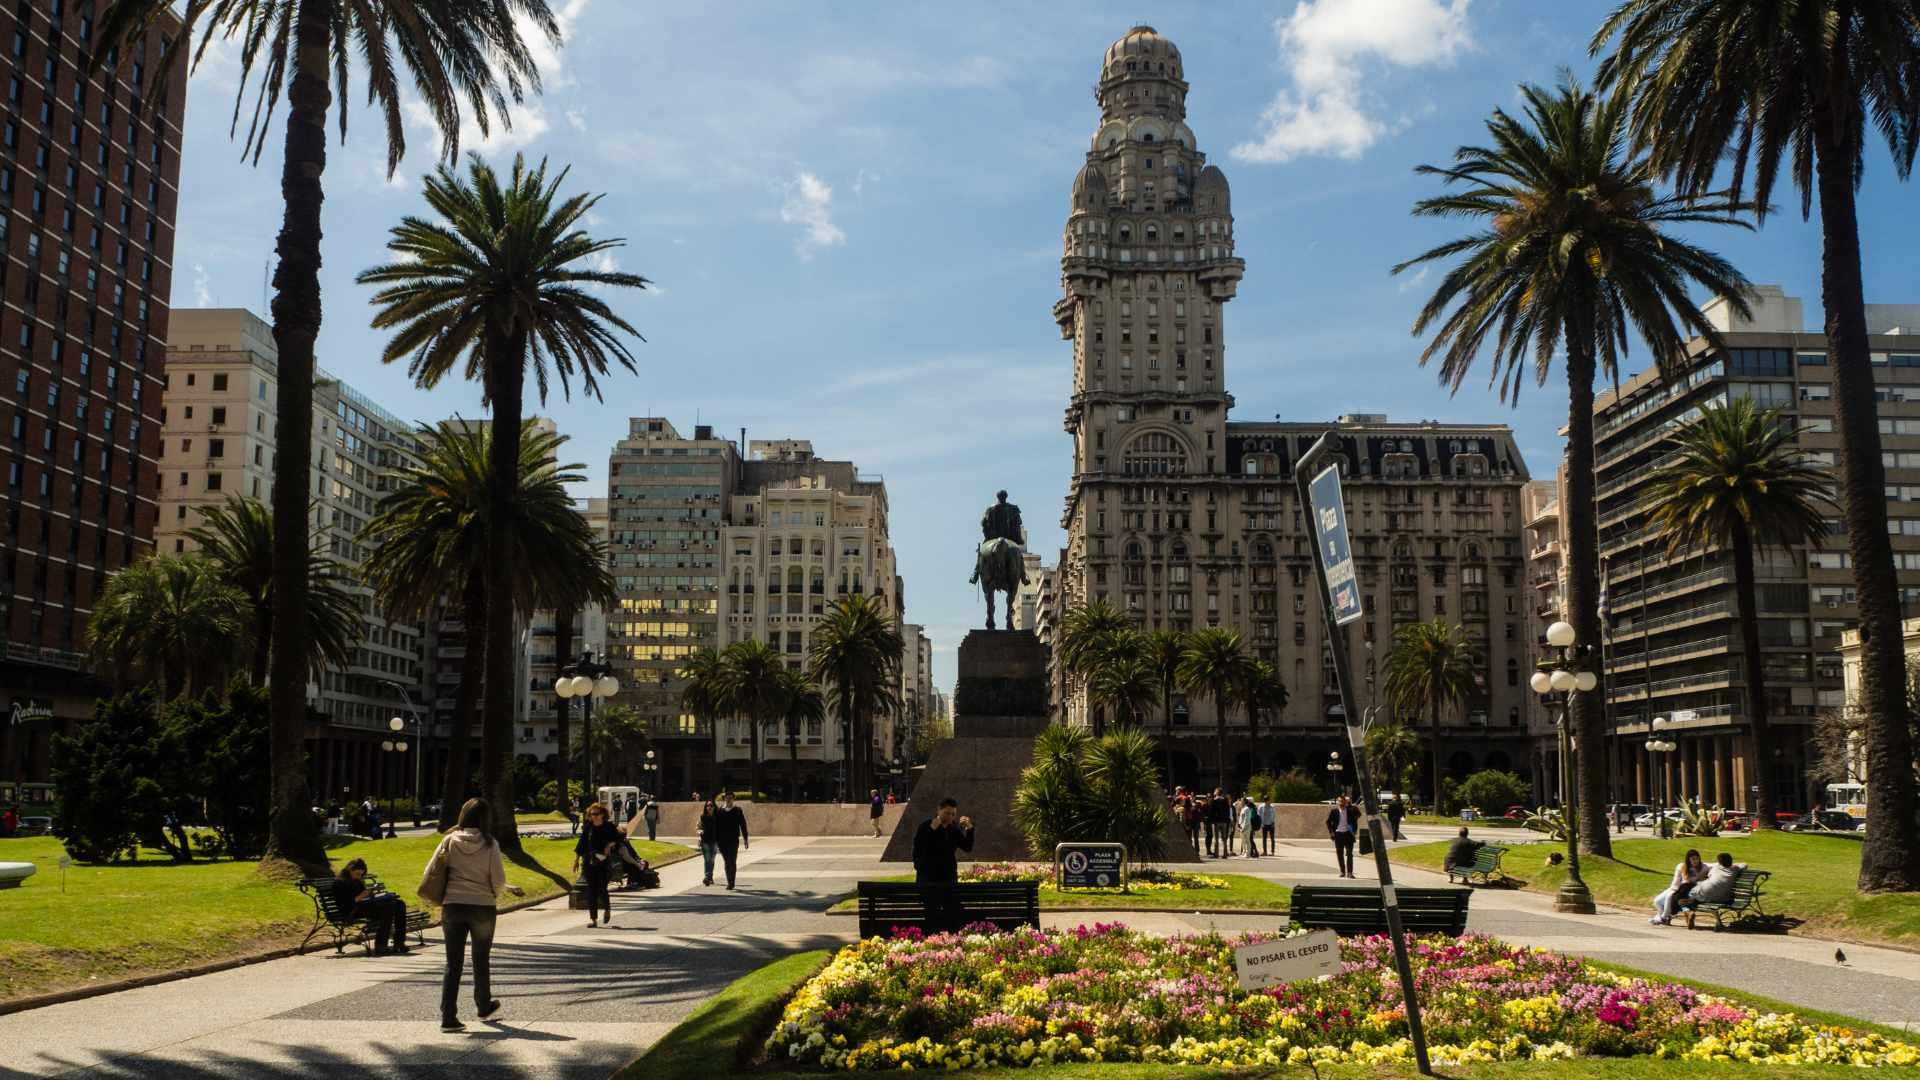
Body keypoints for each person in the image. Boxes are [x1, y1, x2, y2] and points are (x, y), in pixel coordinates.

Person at [425, 797, 520, 1032]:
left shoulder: (449, 841)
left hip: (453, 905)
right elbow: (498, 880)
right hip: (482, 906)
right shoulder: (490, 844)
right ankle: (483, 1004)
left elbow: (430, 870)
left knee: (453, 963)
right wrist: (493, 893)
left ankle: (448, 1016)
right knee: (481, 958)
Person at [912, 797, 976, 933]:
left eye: (953, 814)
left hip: (948, 878)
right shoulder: (926, 826)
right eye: (947, 813)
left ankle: (949, 938)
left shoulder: (954, 829)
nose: (950, 817)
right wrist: (931, 829)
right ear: (938, 810)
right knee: (931, 913)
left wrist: (970, 829)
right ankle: (932, 937)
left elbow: (967, 847)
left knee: (951, 912)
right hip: (929, 879)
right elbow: (918, 849)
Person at [332, 857, 409, 956]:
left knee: (399, 904)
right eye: (357, 874)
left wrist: (373, 895)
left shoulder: (357, 881)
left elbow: (364, 897)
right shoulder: (339, 883)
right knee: (388, 906)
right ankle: (381, 946)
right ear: (350, 869)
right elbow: (345, 904)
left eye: (361, 874)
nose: (359, 876)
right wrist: (361, 896)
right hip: (352, 911)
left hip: (364, 907)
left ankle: (399, 942)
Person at [573, 802, 621, 927]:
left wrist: (609, 845)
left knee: (602, 888)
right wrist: (576, 860)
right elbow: (582, 843)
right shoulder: (588, 827)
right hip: (589, 861)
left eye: (596, 814)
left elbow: (618, 839)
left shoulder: (608, 826)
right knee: (591, 890)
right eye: (591, 814)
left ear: (602, 814)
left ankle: (607, 909)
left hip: (603, 862)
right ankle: (593, 919)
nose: (593, 816)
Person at [1680, 852, 1745, 929]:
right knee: (1697, 895)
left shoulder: (1716, 868)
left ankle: (1689, 910)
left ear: (1720, 862)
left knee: (1689, 894)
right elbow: (1745, 865)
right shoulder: (1735, 869)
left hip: (1705, 893)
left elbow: (1709, 876)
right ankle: (1690, 908)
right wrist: (1733, 865)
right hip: (1721, 898)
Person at [1651, 849, 1708, 925]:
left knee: (1669, 896)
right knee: (1657, 901)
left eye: (1697, 858)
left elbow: (1712, 865)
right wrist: (1674, 889)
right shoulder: (1683, 866)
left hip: (1687, 890)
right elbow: (1678, 881)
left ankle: (1664, 917)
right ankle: (1663, 917)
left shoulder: (1703, 867)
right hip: (1677, 888)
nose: (1695, 861)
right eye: (1693, 859)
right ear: (1688, 860)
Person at [713, 793, 750, 890]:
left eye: (730, 798)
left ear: (733, 799)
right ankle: (729, 880)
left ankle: (731, 882)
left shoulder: (737, 810)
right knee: (726, 861)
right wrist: (715, 840)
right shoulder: (719, 811)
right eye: (727, 798)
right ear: (724, 799)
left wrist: (745, 838)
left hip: (733, 840)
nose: (729, 800)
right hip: (722, 840)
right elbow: (716, 826)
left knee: (732, 861)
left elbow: (743, 824)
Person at [1326, 794, 1360, 878]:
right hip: (1338, 835)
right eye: (1340, 801)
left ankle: (1350, 872)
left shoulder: (1350, 811)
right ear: (1337, 802)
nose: (1341, 803)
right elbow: (1328, 822)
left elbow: (1355, 820)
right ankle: (1342, 871)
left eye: (1343, 801)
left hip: (1348, 834)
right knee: (1339, 854)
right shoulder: (1334, 811)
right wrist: (1331, 832)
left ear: (1345, 802)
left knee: (1349, 854)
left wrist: (1354, 830)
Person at [696, 799, 720, 886]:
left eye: (711, 806)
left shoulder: (717, 817)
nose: (709, 807)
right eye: (708, 806)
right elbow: (698, 827)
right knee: (707, 859)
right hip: (705, 840)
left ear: (714, 807)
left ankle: (710, 877)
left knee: (712, 860)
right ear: (705, 807)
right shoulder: (702, 816)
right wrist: (700, 832)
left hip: (715, 841)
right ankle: (707, 877)